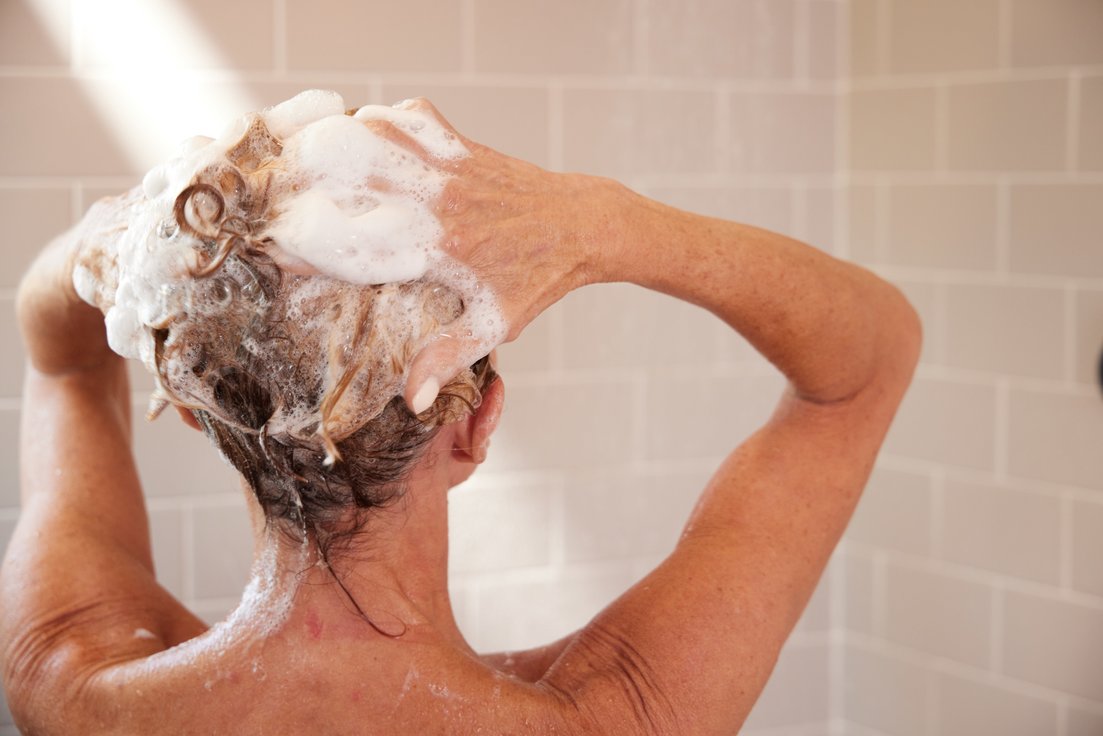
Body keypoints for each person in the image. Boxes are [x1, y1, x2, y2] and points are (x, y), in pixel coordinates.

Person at [0, 98, 920, 735]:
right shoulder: (623, 712)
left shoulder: (71, 681)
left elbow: (63, 357)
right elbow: (866, 361)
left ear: (205, 423)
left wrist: (132, 240)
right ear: (477, 427)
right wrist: (601, 222)